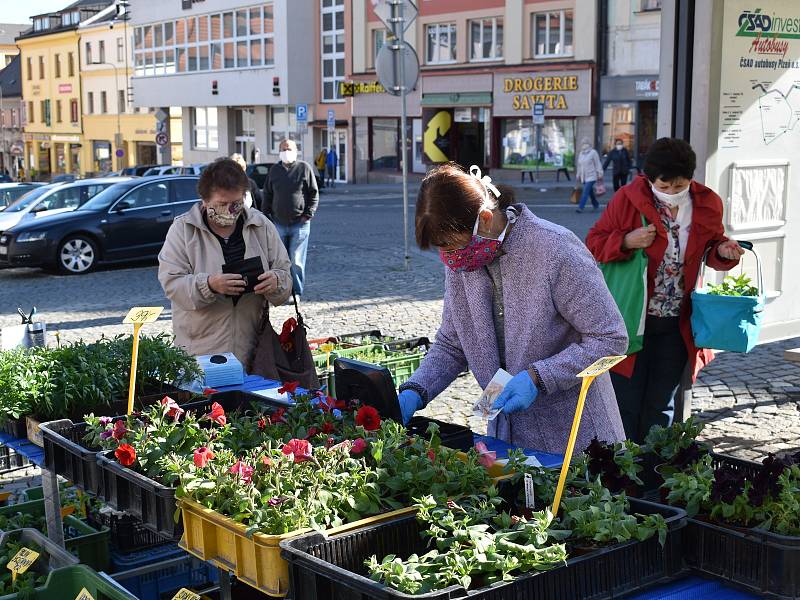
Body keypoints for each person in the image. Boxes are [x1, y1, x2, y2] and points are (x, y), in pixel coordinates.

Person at [397, 163, 629, 454]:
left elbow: (610, 338)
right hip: (506, 437)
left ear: (484, 218)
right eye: (442, 250)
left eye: (453, 247)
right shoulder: (462, 261)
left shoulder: (555, 249)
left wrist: (538, 377)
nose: (449, 259)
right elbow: (452, 343)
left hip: (578, 438)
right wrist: (416, 389)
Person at [586, 138, 744, 443]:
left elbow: (711, 247)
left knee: (661, 406)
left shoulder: (707, 202)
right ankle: (622, 471)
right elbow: (593, 242)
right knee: (625, 404)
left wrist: (723, 251)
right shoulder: (627, 199)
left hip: (676, 324)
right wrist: (626, 241)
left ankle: (653, 475)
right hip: (632, 321)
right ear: (650, 178)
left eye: (679, 185)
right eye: (665, 185)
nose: (672, 192)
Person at [158, 158, 292, 369]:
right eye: (222, 204)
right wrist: (210, 285)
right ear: (204, 200)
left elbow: (284, 274)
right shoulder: (183, 230)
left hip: (253, 351)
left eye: (236, 203)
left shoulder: (260, 225)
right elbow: (172, 284)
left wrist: (276, 281)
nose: (230, 210)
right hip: (200, 353)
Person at [262, 139, 319, 297]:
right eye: (283, 149)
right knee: (279, 260)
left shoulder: (304, 168)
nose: (286, 151)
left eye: (289, 149)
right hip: (278, 223)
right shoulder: (274, 170)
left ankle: (296, 292)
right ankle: (282, 291)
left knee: (296, 261)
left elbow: (314, 193)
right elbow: (267, 193)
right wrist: (265, 215)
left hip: (299, 224)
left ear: (296, 150)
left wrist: (308, 213)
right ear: (279, 151)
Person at [575, 137, 604, 213]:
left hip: (591, 176)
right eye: (583, 143)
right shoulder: (581, 153)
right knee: (590, 192)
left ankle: (580, 207)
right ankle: (596, 204)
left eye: (586, 143)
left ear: (589, 144)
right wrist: (578, 175)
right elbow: (579, 165)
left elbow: (598, 164)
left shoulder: (593, 152)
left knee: (585, 191)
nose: (584, 145)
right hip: (583, 177)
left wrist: (600, 173)